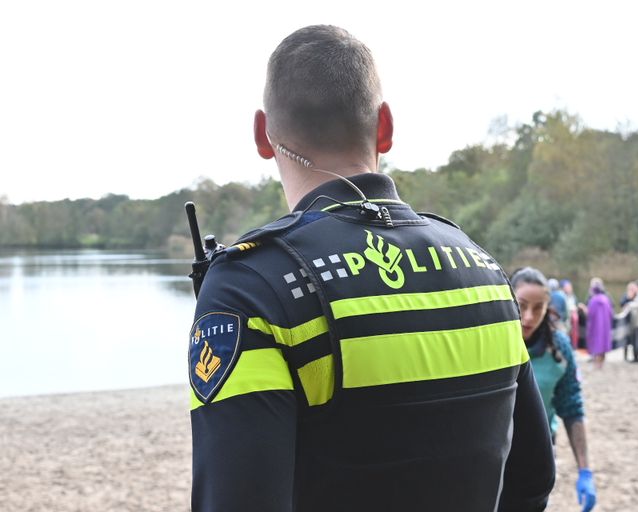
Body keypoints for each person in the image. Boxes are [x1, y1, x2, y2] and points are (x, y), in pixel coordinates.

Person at [188, 25, 555, 512]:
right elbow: (531, 481)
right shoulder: (484, 270)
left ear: (263, 135)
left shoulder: (251, 286)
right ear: (385, 126)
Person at [511, 268, 597, 512]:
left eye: (538, 308)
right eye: (522, 305)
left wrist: (585, 470)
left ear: (548, 307)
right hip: (494, 451)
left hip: (539, 450)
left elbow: (571, 406)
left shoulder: (559, 349)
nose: (528, 317)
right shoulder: (492, 341)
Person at [586, 277, 613, 369]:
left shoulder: (593, 300)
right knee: (603, 344)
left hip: (595, 327)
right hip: (605, 326)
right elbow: (611, 313)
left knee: (596, 345)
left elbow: (590, 314)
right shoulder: (606, 299)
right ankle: (602, 364)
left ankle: (596, 365)